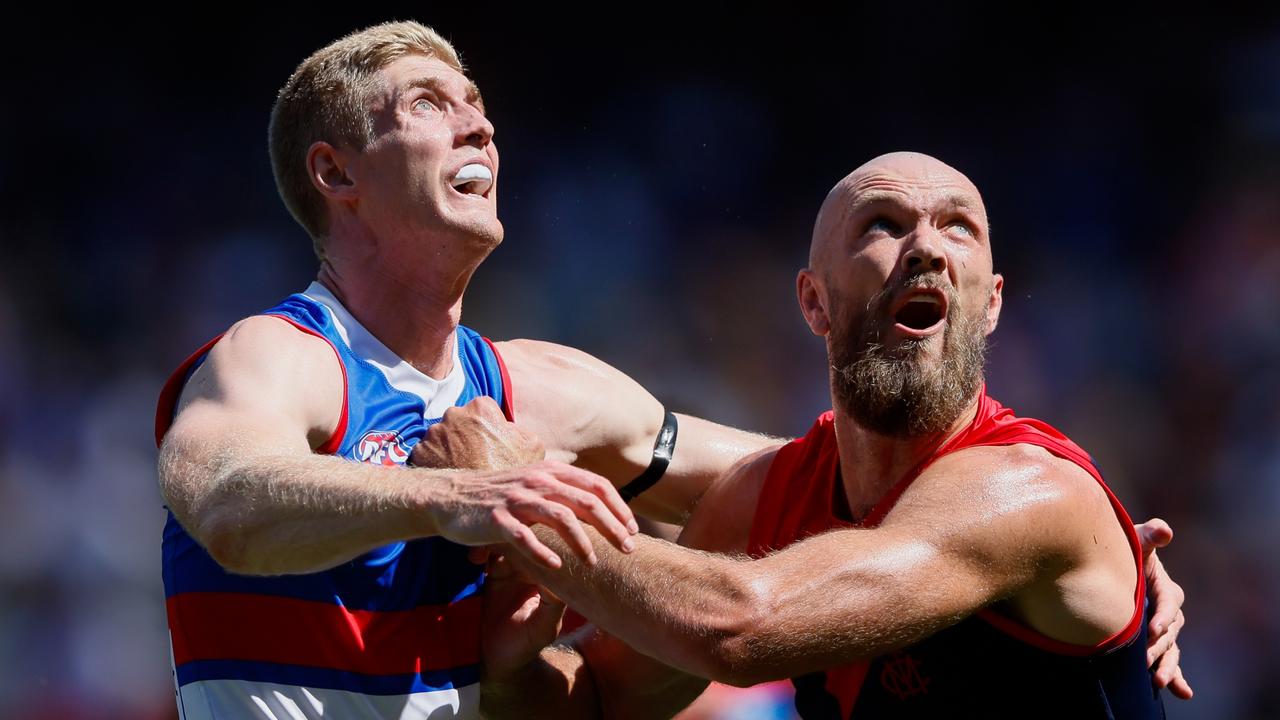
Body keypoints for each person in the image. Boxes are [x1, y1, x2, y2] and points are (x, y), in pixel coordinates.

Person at [152, 19, 1187, 720]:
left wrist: (1091, 535)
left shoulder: (543, 393)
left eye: (480, 104)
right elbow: (221, 497)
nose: (480, 123)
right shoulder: (282, 355)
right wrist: (469, 510)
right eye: (431, 103)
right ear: (335, 172)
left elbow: (867, 497)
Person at [470, 152, 1193, 718]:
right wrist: (509, 672)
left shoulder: (1033, 491)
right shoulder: (768, 497)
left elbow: (741, 626)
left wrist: (528, 511)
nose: (927, 248)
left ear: (994, 302)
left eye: (958, 226)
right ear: (814, 302)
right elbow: (599, 699)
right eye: (882, 223)